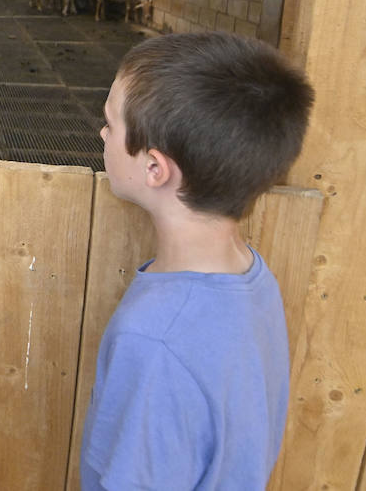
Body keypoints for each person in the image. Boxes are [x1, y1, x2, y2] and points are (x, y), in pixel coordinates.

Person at [82, 31, 315, 490]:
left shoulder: (155, 342)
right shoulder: (251, 278)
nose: (102, 133)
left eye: (111, 122)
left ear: (154, 168)